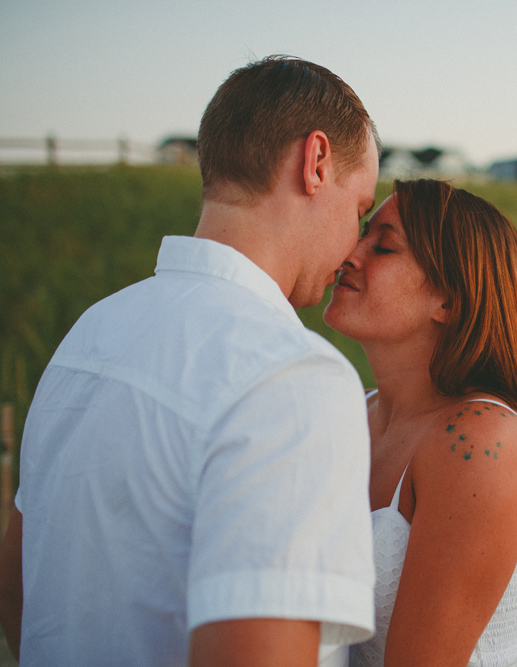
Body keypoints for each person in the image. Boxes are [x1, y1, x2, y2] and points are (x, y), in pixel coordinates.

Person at [0, 56, 380, 667]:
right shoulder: (293, 375)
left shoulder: (89, 335)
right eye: (359, 208)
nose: (354, 241)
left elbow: (18, 581)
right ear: (316, 163)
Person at [323, 179, 517, 667]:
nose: (348, 254)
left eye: (384, 246)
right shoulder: (350, 411)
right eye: (361, 235)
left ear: (449, 301)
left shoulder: (482, 443)